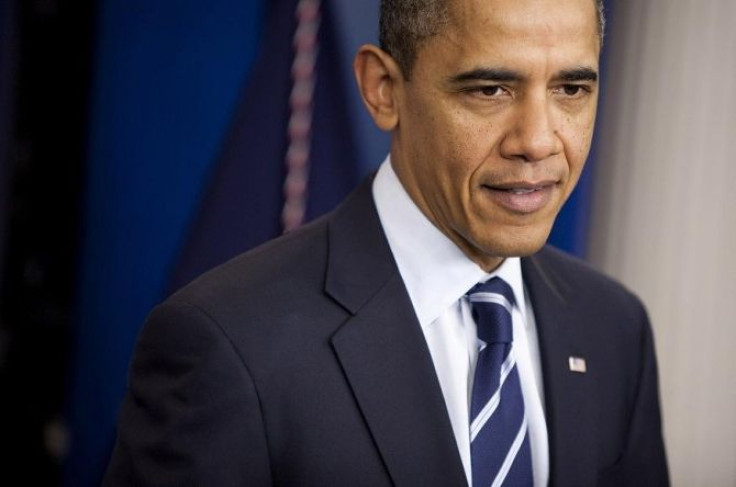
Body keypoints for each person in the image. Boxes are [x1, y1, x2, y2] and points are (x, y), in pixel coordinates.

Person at [103, 0, 669, 485]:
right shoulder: (226, 346)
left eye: (571, 88)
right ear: (383, 90)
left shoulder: (614, 327)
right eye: (491, 88)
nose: (539, 141)